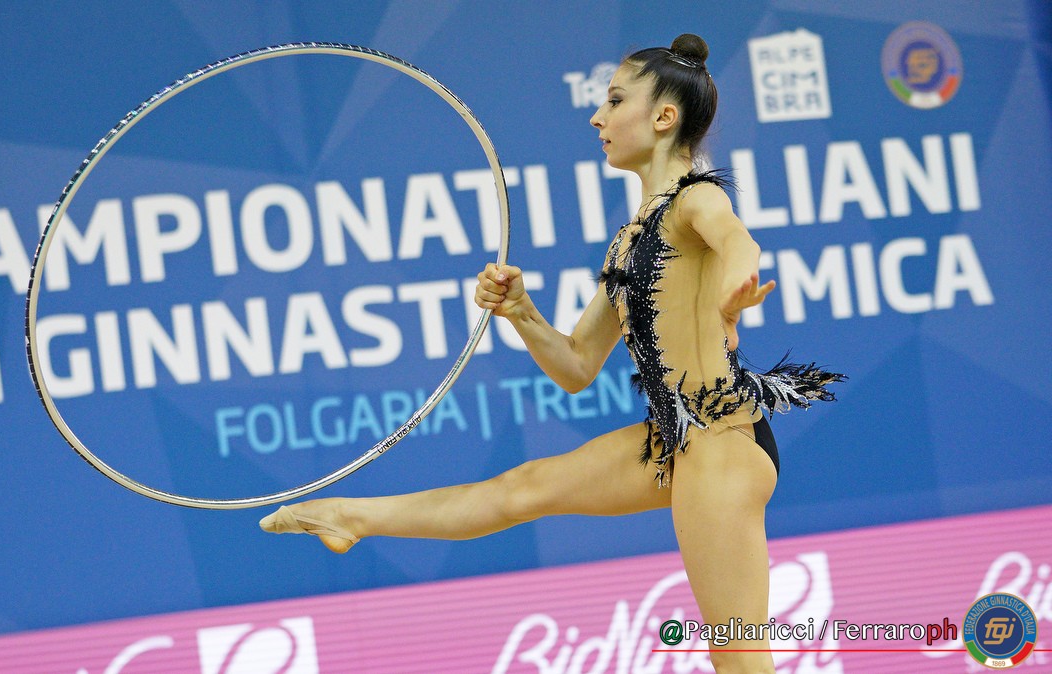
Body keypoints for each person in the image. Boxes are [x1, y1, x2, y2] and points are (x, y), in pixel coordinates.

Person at [260, 33, 843, 674]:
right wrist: (521, 311)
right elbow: (576, 366)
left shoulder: (695, 198)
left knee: (739, 660)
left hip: (723, 443)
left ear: (663, 117)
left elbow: (735, 239)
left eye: (614, 100)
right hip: (677, 441)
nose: (597, 116)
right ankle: (350, 516)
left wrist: (734, 291)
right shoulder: (629, 241)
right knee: (523, 487)